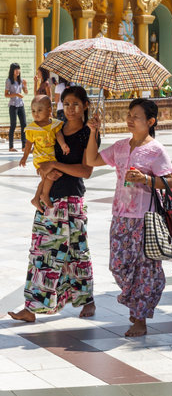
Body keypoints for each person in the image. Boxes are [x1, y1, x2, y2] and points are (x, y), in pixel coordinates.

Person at [86, 98, 172, 337]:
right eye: (129, 114)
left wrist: (145, 179)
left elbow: (171, 182)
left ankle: (139, 318)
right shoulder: (120, 146)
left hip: (145, 217)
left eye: (136, 116)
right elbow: (91, 160)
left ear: (150, 121)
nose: (130, 119)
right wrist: (93, 132)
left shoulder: (156, 150)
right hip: (120, 215)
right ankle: (138, 300)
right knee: (118, 264)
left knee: (144, 269)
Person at [8, 86, 97, 322]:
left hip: (73, 199)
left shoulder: (89, 133)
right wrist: (42, 167)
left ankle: (86, 300)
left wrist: (55, 166)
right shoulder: (54, 126)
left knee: (77, 252)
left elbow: (86, 170)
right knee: (42, 253)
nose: (70, 109)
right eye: (66, 104)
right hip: (51, 198)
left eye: (76, 104)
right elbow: (42, 156)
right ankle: (32, 307)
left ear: (86, 105)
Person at [19, 95, 70, 211]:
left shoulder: (54, 125)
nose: (36, 113)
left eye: (39, 110)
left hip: (51, 156)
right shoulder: (32, 128)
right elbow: (28, 145)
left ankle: (37, 198)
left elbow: (59, 135)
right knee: (50, 176)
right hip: (40, 158)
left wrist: (63, 145)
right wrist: (24, 157)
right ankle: (44, 195)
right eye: (33, 111)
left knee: (47, 178)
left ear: (49, 111)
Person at [5, 62, 28, 152]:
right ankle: (11, 147)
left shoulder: (21, 80)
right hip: (13, 105)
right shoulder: (9, 81)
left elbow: (25, 92)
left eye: (18, 69)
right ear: (12, 70)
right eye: (16, 69)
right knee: (13, 125)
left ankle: (24, 146)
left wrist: (25, 86)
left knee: (24, 125)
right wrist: (16, 94)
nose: (18, 71)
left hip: (21, 105)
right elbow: (6, 95)